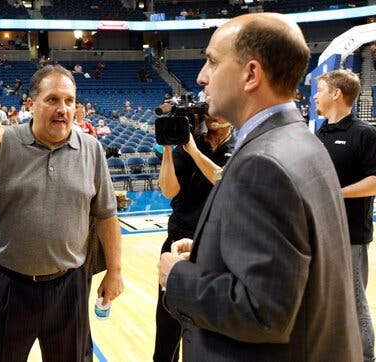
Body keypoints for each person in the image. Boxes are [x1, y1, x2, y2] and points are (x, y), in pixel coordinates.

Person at [158, 13, 361, 361]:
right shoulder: (302, 141)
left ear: (251, 74)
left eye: (211, 61)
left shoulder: (263, 163)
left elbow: (264, 312)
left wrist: (178, 277)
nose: (201, 76)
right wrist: (212, 252)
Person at [0, 64, 123, 361]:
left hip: (69, 286)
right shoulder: (4, 142)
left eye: (69, 101)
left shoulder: (91, 149)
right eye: (52, 100)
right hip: (8, 285)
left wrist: (115, 272)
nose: (63, 109)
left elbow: (106, 215)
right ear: (31, 104)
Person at [154, 114, 235, 362]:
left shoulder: (240, 146)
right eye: (208, 110)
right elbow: (169, 190)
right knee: (167, 321)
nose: (212, 116)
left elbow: (225, 182)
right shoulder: (188, 142)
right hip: (179, 240)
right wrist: (169, 149)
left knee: (210, 322)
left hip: (219, 246)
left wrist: (193, 152)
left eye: (218, 110)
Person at [314, 69, 376, 362]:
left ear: (336, 94)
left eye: (320, 89)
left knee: (355, 303)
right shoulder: (320, 132)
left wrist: (336, 194)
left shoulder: (365, 134)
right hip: (319, 233)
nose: (315, 95)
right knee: (325, 303)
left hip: (350, 233)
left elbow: (375, 181)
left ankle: (365, 357)